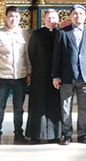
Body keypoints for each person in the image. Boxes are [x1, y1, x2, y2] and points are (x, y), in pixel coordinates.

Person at [52, 4, 86, 145]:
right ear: (71, 16)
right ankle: (66, 134)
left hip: (85, 75)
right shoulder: (63, 32)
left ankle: (83, 134)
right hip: (67, 76)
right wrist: (56, 75)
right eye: (75, 14)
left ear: (85, 16)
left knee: (84, 107)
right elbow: (57, 56)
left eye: (80, 14)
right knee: (66, 107)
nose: (78, 16)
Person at [0, 6, 31, 146]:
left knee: (19, 108)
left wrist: (29, 72)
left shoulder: (25, 34)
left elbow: (28, 56)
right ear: (6, 17)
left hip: (20, 77)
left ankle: (18, 134)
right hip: (2, 78)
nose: (14, 19)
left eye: (17, 16)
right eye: (11, 16)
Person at [26, 9, 61, 144]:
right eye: (48, 18)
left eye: (53, 18)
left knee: (55, 104)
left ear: (57, 20)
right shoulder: (37, 34)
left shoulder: (61, 34)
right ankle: (36, 134)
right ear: (44, 19)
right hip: (40, 75)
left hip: (56, 76)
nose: (51, 20)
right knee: (38, 104)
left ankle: (55, 135)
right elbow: (31, 53)